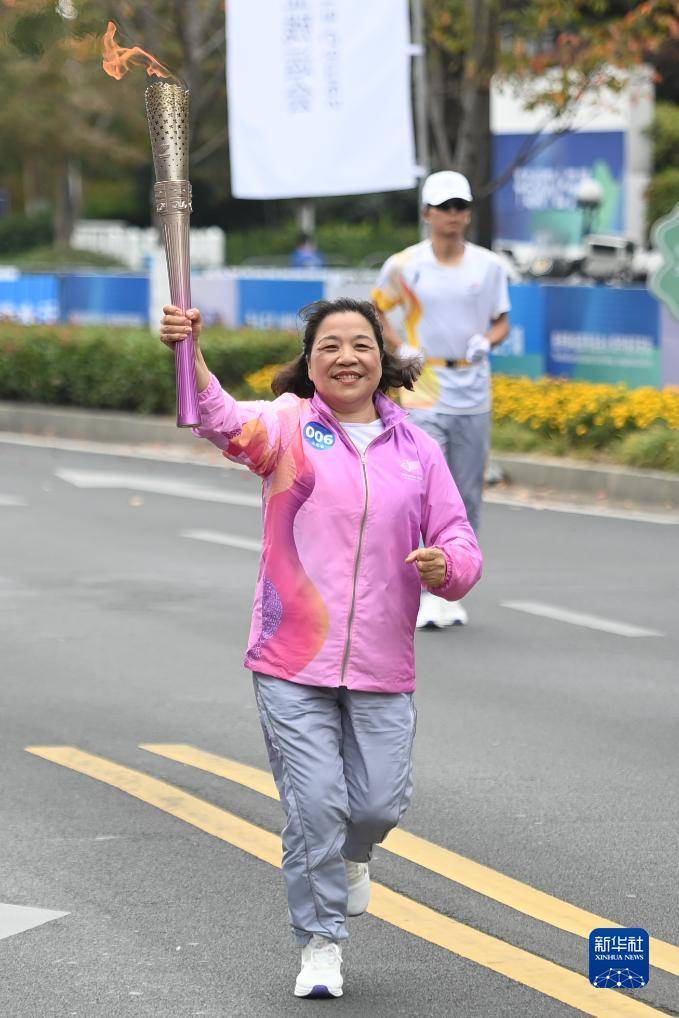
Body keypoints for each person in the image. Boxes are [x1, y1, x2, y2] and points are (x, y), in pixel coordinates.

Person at [159, 296, 482, 1000]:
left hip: (380, 661)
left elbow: (460, 542)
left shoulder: (416, 452)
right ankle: (320, 944)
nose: (345, 356)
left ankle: (354, 857)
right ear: (309, 362)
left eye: (359, 344)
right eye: (328, 344)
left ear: (382, 360)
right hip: (291, 659)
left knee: (375, 807)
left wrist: (445, 568)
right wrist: (188, 347)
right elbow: (216, 417)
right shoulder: (286, 430)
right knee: (314, 804)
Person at [372, 170, 510, 630]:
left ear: (468, 213)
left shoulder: (488, 266)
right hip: (423, 385)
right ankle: (423, 588)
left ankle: (454, 586)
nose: (454, 215)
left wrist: (486, 343)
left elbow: (501, 321)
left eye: (460, 207)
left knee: (466, 494)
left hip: (471, 385)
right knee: (420, 488)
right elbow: (378, 309)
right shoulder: (404, 265)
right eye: (444, 207)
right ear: (427, 213)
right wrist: (399, 348)